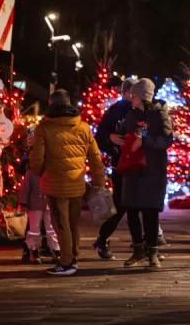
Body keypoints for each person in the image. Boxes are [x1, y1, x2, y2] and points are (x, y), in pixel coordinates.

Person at [28, 89, 106, 276]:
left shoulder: (44, 128)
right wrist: (99, 181)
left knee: (60, 224)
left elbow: (36, 161)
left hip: (55, 185)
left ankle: (66, 262)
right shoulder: (83, 127)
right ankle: (73, 257)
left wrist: (38, 171)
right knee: (72, 224)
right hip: (77, 184)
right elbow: (95, 158)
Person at [120, 78, 174, 269]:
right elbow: (125, 134)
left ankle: (152, 252)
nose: (130, 98)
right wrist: (117, 138)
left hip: (153, 170)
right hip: (133, 171)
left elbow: (167, 140)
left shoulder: (159, 115)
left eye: (133, 95)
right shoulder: (131, 115)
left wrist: (144, 141)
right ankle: (138, 250)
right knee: (132, 211)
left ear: (142, 96)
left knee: (150, 212)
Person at [93, 78, 137, 259]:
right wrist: (110, 139)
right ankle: (103, 238)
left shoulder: (141, 109)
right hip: (121, 164)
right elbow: (100, 135)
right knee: (121, 205)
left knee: (137, 206)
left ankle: (142, 245)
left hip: (138, 164)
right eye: (131, 92)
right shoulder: (115, 111)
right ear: (125, 92)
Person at [19, 166, 59, 264]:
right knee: (34, 229)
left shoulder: (51, 170)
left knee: (51, 228)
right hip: (35, 204)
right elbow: (25, 188)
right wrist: (23, 202)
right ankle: (34, 250)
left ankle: (55, 249)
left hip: (48, 203)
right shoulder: (31, 173)